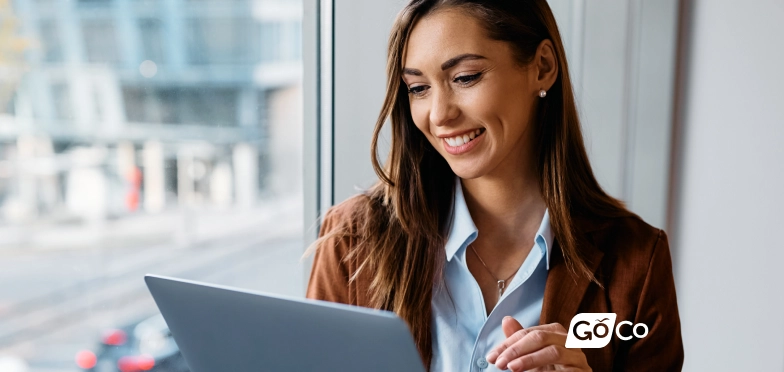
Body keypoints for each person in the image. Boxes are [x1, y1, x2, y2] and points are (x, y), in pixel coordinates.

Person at [305, 0, 684, 371]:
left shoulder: (636, 263)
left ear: (543, 67)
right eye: (418, 88)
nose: (439, 114)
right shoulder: (352, 240)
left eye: (465, 78)